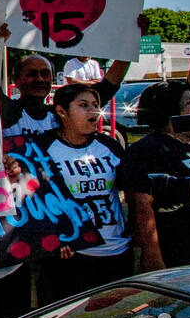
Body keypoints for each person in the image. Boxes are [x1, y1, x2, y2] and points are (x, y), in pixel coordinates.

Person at [30, 84, 133, 304]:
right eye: (83, 105)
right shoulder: (41, 147)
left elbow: (133, 192)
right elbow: (32, 201)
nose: (93, 111)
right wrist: (53, 236)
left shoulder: (110, 145)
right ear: (61, 111)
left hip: (117, 253)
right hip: (72, 257)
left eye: (96, 105)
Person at [117, 81, 190, 271]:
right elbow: (141, 207)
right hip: (176, 258)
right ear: (170, 112)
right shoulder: (147, 150)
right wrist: (153, 260)